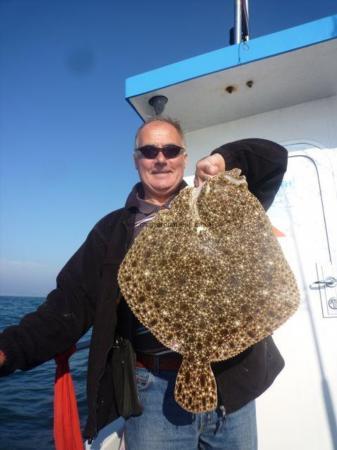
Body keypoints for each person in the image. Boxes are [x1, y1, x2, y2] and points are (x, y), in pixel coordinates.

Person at [0, 117, 288, 449]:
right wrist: (10, 350)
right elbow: (69, 305)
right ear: (137, 160)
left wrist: (222, 158)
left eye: (171, 149)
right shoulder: (112, 232)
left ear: (183, 157)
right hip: (153, 390)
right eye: (149, 151)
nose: (161, 158)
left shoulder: (220, 205)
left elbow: (272, 159)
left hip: (233, 382)